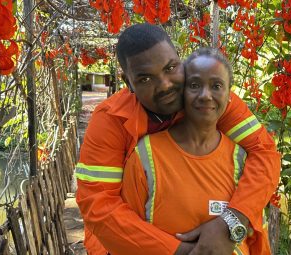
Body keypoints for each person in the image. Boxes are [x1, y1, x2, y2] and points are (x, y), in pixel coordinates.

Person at [75, 23, 280, 254]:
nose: (165, 85)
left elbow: (264, 152)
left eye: (171, 67)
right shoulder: (109, 120)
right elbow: (98, 206)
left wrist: (230, 221)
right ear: (128, 83)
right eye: (145, 79)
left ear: (180, 61)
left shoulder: (207, 98)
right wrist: (180, 251)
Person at [121, 48, 271, 255]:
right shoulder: (146, 155)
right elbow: (128, 236)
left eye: (216, 86)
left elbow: (255, 239)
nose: (205, 95)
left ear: (229, 96)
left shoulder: (243, 160)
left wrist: (228, 226)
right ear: (181, 92)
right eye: (194, 85)